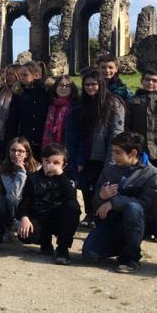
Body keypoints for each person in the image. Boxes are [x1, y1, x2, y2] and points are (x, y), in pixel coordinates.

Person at [82, 132, 157, 273]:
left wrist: (114, 202)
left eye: (118, 152)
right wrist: (101, 196)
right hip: (111, 224)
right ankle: (122, 247)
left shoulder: (153, 174)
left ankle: (131, 258)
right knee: (90, 254)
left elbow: (146, 204)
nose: (113, 156)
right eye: (112, 152)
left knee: (133, 208)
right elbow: (95, 206)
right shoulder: (109, 171)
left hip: (137, 225)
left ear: (133, 153)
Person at [66, 70, 124, 226]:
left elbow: (116, 133)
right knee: (86, 185)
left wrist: (112, 158)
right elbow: (77, 132)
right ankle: (90, 214)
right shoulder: (81, 104)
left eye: (93, 84)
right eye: (87, 84)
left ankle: (101, 216)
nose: (90, 87)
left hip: (104, 152)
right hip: (85, 152)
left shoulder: (113, 103)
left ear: (101, 84)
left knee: (102, 186)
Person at [16, 144, 81, 265]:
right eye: (47, 161)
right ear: (42, 161)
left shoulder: (68, 178)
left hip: (61, 219)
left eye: (56, 162)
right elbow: (25, 202)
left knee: (73, 207)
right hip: (41, 217)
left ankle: (62, 249)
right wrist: (24, 217)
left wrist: (60, 175)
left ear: (64, 165)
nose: (50, 165)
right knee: (25, 235)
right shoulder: (33, 178)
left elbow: (71, 197)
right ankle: (45, 242)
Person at [4, 61, 50, 157]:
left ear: (36, 76)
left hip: (44, 140)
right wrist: (11, 140)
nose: (21, 78)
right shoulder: (18, 93)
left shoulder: (47, 92)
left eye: (25, 75)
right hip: (25, 141)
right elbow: (13, 119)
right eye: (21, 75)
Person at [0, 137, 39, 233]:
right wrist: (21, 172)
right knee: (10, 198)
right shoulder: (5, 170)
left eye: (20, 151)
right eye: (12, 150)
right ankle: (10, 225)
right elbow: (13, 194)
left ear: (27, 154)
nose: (16, 154)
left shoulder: (37, 168)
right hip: (12, 206)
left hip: (31, 206)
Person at [0, 64, 19, 168]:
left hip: (15, 140)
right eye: (7, 74)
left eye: (11, 74)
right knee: (3, 171)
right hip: (0, 138)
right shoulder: (1, 92)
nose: (8, 77)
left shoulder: (20, 94)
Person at [41, 75, 77, 149]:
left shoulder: (75, 107)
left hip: (68, 149)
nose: (63, 88)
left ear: (72, 89)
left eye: (67, 86)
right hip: (49, 149)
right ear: (55, 88)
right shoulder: (49, 106)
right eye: (60, 85)